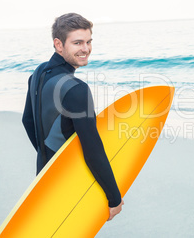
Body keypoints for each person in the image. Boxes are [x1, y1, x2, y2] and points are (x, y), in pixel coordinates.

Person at [22, 13, 123, 221]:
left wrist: (47, 156)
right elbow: (92, 148)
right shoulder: (76, 90)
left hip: (43, 177)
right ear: (58, 44)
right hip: (68, 182)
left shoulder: (38, 74)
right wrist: (113, 198)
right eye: (77, 42)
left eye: (88, 42)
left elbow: (28, 121)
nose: (85, 49)